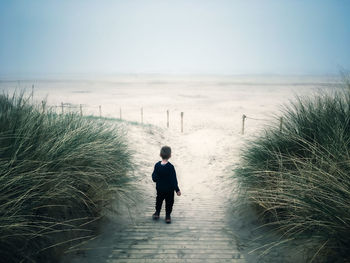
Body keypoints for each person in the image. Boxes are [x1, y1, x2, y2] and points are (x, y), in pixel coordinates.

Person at [152, 146, 181, 224]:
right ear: (170, 155)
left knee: (159, 200)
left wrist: (157, 179)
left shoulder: (157, 165)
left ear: (160, 154)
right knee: (169, 202)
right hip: (169, 189)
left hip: (160, 188)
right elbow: (173, 179)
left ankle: (157, 213)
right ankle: (167, 216)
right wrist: (177, 189)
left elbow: (154, 177)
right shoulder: (170, 167)